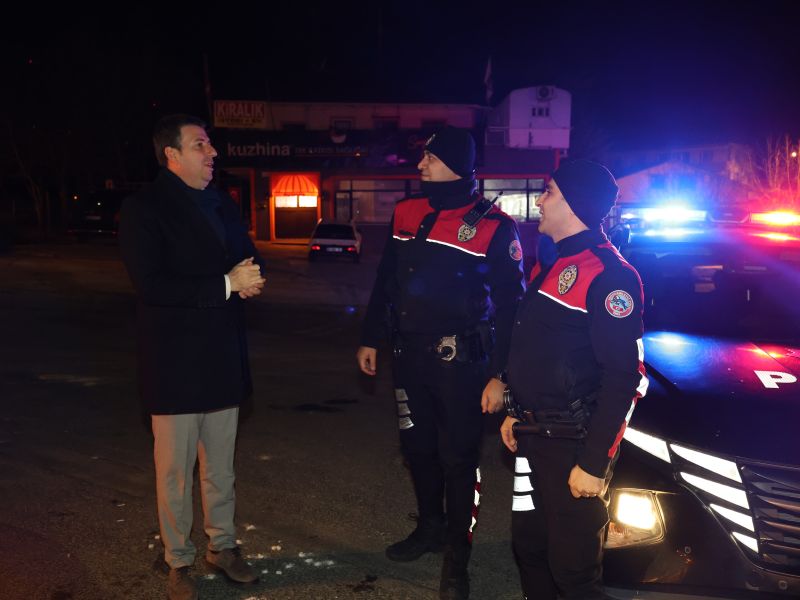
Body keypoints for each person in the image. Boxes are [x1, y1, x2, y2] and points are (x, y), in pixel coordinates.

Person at [357, 126, 525, 600]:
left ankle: (457, 555)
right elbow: (386, 281)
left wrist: (501, 374)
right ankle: (430, 528)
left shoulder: (494, 225)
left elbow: (512, 307)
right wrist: (370, 337)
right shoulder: (406, 211)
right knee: (417, 449)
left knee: (458, 459)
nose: (420, 165)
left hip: (462, 365)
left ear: (453, 162)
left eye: (428, 157)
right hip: (408, 359)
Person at [119, 114, 266, 600]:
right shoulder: (144, 209)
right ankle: (179, 560)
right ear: (172, 155)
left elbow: (245, 254)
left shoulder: (221, 202)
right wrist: (226, 284)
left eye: (210, 144)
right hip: (175, 364)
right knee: (176, 474)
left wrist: (250, 277)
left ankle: (222, 547)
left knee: (221, 468)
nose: (212, 152)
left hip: (222, 358)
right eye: (200, 144)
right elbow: (152, 285)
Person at [500, 159, 648, 599]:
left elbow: (624, 378)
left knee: (574, 573)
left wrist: (594, 463)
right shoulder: (553, 262)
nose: (539, 202)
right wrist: (515, 410)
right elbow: (536, 353)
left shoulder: (610, 275)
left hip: (572, 448)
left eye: (549, 192)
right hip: (532, 437)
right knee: (530, 550)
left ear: (575, 204)